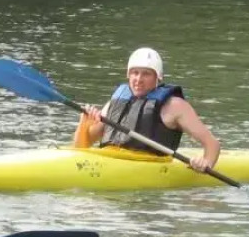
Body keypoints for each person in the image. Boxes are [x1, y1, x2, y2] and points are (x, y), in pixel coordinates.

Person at [76, 48, 221, 173]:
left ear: (157, 77)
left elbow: (212, 144)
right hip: (109, 158)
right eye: (135, 73)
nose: (138, 79)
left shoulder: (175, 106)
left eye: (146, 74)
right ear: (128, 75)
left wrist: (206, 163)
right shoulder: (115, 102)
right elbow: (81, 147)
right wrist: (84, 124)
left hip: (151, 164)